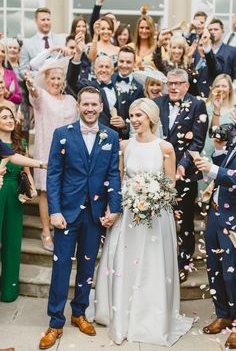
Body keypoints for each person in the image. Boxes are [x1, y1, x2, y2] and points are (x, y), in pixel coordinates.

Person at [95, 97, 193, 345]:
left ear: (150, 117)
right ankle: (120, 313)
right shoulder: (124, 145)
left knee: (151, 263)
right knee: (125, 261)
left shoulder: (165, 148)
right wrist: (119, 201)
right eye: (132, 115)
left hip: (156, 215)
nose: (134, 120)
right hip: (128, 214)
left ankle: (150, 317)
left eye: (139, 115)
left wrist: (153, 195)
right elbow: (117, 179)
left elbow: (170, 183)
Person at [39, 86, 122, 350]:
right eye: (85, 104)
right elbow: (53, 174)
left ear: (100, 107)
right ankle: (55, 321)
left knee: (87, 267)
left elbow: (113, 175)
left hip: (95, 214)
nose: (89, 109)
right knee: (61, 266)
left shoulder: (111, 136)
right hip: (67, 212)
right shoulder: (62, 134)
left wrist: (115, 207)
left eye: (93, 105)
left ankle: (79, 313)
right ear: (78, 106)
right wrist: (54, 210)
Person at [154, 69, 208, 282]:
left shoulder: (197, 105)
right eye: (170, 83)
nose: (173, 87)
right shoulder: (157, 103)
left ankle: (185, 261)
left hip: (185, 173)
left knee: (184, 219)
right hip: (158, 171)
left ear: (186, 85)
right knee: (160, 215)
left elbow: (197, 141)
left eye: (178, 83)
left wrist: (183, 165)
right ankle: (161, 258)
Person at [25, 57, 77, 252]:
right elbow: (34, 94)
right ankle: (46, 231)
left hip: (70, 153)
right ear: (46, 80)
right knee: (46, 192)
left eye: (58, 78)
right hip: (47, 152)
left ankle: (62, 228)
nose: (56, 82)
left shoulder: (72, 100)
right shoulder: (42, 97)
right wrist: (31, 85)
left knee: (66, 190)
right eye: (52, 78)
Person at [195, 139, 236, 349]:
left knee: (233, 273)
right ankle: (223, 315)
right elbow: (229, 166)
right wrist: (220, 149)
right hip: (216, 212)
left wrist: (213, 169)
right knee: (215, 268)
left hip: (234, 217)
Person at [0, 106, 36, 302]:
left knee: (12, 242)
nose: (9, 120)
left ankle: (9, 291)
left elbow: (26, 170)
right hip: (0, 188)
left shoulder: (20, 142)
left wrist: (31, 189)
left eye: (11, 117)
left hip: (15, 193)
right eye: (4, 117)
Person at [19, 7, 65, 77]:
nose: (46, 22)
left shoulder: (61, 40)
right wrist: (41, 74)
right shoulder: (27, 44)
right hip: (36, 85)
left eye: (48, 19)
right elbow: (23, 71)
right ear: (36, 21)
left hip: (58, 84)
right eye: (43, 20)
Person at [0, 41, 22, 105]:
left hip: (7, 111)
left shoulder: (11, 73)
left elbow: (19, 99)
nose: (0, 53)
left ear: (5, 55)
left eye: (3, 51)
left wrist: (8, 95)